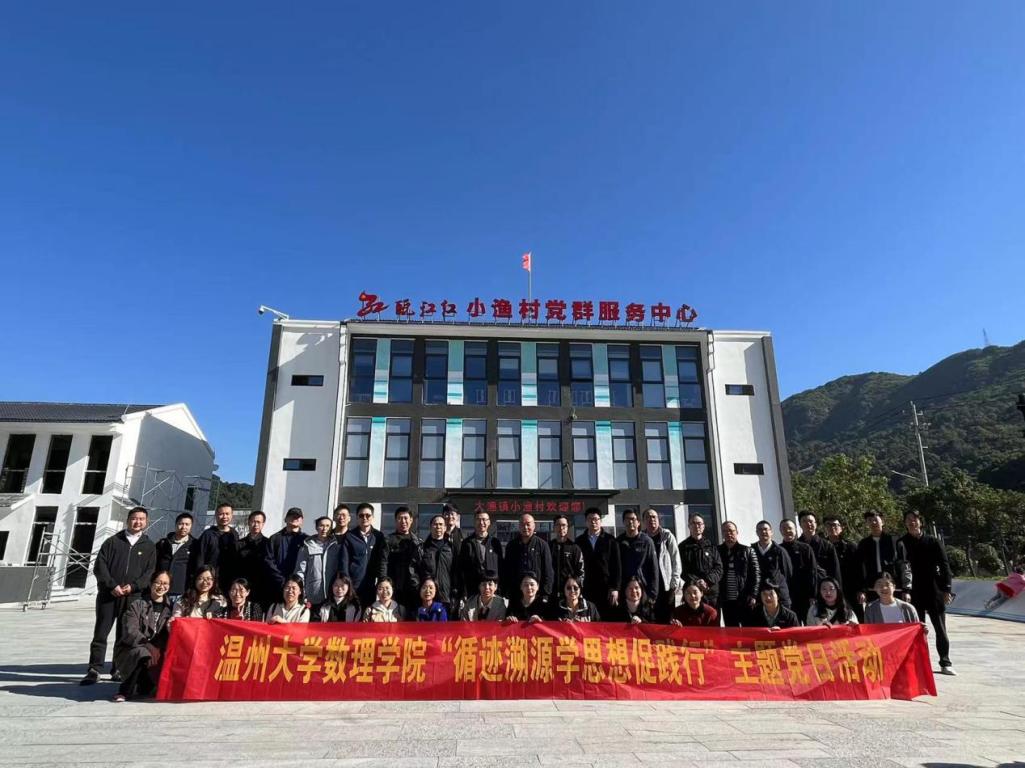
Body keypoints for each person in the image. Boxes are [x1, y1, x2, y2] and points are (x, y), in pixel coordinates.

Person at [81, 506, 156, 685]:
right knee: (101, 633)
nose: (137, 522)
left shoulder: (149, 546)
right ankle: (94, 669)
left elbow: (149, 573)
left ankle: (118, 669)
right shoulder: (113, 542)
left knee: (125, 635)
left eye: (141, 519)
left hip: (132, 597)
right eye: (134, 518)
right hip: (109, 595)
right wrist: (111, 585)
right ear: (128, 520)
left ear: (146, 522)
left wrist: (134, 586)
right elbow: (100, 566)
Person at [899, 509, 955, 674]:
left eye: (914, 519)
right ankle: (920, 663)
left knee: (940, 628)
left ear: (920, 522)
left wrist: (947, 589)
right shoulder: (902, 543)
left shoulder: (933, 541)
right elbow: (900, 567)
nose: (912, 522)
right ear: (905, 523)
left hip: (934, 590)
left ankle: (945, 662)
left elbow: (944, 565)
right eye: (908, 519)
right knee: (916, 630)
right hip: (913, 592)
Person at [111, 570, 173, 702]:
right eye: (158, 582)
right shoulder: (137, 605)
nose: (161, 586)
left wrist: (157, 648)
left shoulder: (171, 608)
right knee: (142, 653)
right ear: (151, 583)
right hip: (132, 647)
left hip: (158, 649)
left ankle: (146, 685)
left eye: (165, 583)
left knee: (146, 689)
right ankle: (125, 691)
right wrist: (149, 646)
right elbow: (131, 631)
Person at [338, 503, 389, 608]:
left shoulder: (378, 536)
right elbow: (344, 561)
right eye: (361, 515)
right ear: (357, 518)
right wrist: (347, 583)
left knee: (368, 614)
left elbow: (382, 560)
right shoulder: (349, 536)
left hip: (371, 585)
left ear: (372, 517)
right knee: (351, 614)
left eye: (368, 515)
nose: (364, 518)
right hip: (353, 586)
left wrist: (381, 581)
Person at [575, 507, 621, 619]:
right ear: (586, 522)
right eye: (590, 519)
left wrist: (615, 588)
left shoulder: (610, 540)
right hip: (586, 587)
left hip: (606, 587)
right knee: (588, 617)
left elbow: (617, 566)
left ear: (600, 521)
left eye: (596, 519)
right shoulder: (579, 541)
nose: (593, 522)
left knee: (606, 618)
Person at [501, 514, 554, 605]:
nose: (525, 527)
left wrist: (545, 593)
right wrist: (506, 591)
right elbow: (506, 570)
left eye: (528, 524)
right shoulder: (512, 545)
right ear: (519, 526)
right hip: (516, 595)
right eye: (522, 524)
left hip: (537, 595)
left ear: (534, 526)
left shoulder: (543, 545)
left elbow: (548, 571)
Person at [456, 509, 504, 609]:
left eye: (484, 520)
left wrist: (500, 588)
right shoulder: (467, 543)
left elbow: (501, 567)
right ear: (474, 522)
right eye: (478, 520)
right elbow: (461, 569)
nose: (481, 523)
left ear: (489, 522)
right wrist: (463, 592)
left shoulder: (495, 543)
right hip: (473, 590)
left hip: (492, 590)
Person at [644, 508, 684, 622]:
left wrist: (674, 582)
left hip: (666, 586)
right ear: (643, 521)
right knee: (649, 619)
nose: (651, 519)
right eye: (648, 517)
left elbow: (676, 560)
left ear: (658, 519)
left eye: (654, 517)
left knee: (667, 619)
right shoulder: (642, 538)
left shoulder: (667, 535)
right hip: (648, 587)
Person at [717, 521, 760, 627]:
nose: (729, 533)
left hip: (744, 598)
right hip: (726, 600)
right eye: (725, 531)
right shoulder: (717, 551)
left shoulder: (748, 551)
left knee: (748, 629)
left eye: (731, 531)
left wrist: (754, 595)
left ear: (737, 532)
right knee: (731, 630)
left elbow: (756, 575)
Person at [677, 512, 721, 612]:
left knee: (713, 620)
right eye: (693, 523)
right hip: (692, 594)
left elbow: (719, 568)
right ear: (689, 526)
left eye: (699, 523)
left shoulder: (711, 546)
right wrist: (696, 582)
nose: (697, 526)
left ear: (703, 526)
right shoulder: (682, 547)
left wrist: (706, 581)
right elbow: (681, 570)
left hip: (711, 592)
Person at [190, 502, 239, 593]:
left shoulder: (234, 534)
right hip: (210, 579)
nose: (224, 517)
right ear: (216, 515)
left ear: (232, 515)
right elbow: (200, 557)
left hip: (228, 579)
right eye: (221, 514)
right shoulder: (207, 534)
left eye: (227, 514)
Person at [856, 510, 903, 604]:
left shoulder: (894, 540)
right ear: (866, 524)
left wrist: (906, 589)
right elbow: (860, 568)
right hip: (872, 588)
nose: (873, 523)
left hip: (893, 587)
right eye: (870, 520)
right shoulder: (863, 544)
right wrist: (862, 589)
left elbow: (903, 564)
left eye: (876, 520)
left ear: (882, 521)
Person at [295, 516, 341, 610]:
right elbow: (300, 572)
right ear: (316, 527)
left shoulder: (336, 546)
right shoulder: (307, 546)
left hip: (331, 596)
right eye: (321, 526)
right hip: (312, 595)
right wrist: (302, 593)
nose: (324, 529)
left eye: (327, 526)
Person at [823, 515, 863, 620]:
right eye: (828, 525)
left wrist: (861, 590)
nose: (832, 527)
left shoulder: (851, 546)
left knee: (855, 618)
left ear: (841, 528)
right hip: (830, 590)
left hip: (850, 589)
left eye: (835, 525)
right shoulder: (822, 547)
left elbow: (859, 570)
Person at [780, 518, 819, 622]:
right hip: (786, 596)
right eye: (784, 528)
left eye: (790, 528)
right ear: (780, 531)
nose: (787, 531)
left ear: (796, 530)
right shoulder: (778, 550)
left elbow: (813, 572)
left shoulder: (805, 548)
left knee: (808, 624)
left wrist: (813, 595)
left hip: (804, 595)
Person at [385, 506, 423, 611]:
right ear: (395, 520)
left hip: (414, 587)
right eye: (400, 518)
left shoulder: (418, 542)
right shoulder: (388, 540)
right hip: (395, 587)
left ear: (411, 520)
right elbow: (383, 563)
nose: (403, 521)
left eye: (406, 518)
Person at [617, 508, 658, 602]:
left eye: (633, 519)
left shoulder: (647, 541)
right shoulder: (618, 542)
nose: (630, 522)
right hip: (624, 589)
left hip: (643, 587)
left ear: (638, 522)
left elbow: (653, 568)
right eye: (627, 519)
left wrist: (653, 593)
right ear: (623, 522)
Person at [267, 507, 308, 599]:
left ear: (302, 521)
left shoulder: (306, 540)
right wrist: (281, 580)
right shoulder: (275, 538)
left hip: (298, 587)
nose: (294, 518)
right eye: (291, 516)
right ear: (285, 519)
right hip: (276, 585)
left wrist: (298, 581)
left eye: (297, 517)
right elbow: (268, 561)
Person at [236, 510, 273, 609]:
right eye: (253, 521)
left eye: (259, 522)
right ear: (248, 522)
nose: (256, 525)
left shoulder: (268, 544)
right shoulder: (239, 544)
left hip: (261, 588)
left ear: (263, 524)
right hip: (242, 588)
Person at [752, 520, 793, 608]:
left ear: (771, 532)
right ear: (757, 532)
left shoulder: (780, 551)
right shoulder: (752, 551)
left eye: (766, 529)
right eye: (760, 530)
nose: (763, 532)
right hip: (759, 596)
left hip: (779, 595)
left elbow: (788, 574)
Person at [420, 515, 456, 613]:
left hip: (446, 596)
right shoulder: (422, 548)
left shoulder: (451, 548)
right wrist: (419, 588)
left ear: (445, 528)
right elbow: (414, 570)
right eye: (435, 524)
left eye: (441, 524)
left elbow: (456, 571)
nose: (438, 527)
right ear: (430, 527)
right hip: (427, 597)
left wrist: (455, 592)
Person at [154, 512, 194, 600]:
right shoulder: (163, 543)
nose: (183, 527)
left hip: (180, 592)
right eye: (181, 524)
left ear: (191, 526)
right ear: (176, 525)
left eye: (187, 524)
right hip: (160, 589)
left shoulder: (194, 545)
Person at [798, 511, 842, 584]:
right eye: (804, 521)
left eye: (811, 521)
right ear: (800, 524)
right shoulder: (796, 546)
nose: (808, 524)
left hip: (823, 587)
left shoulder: (827, 546)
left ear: (816, 524)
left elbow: (835, 572)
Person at [549, 515, 585, 598]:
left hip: (569, 592)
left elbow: (580, 571)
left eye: (564, 525)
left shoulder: (574, 548)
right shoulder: (548, 546)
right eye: (558, 525)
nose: (561, 528)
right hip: (551, 592)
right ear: (554, 527)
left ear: (567, 527)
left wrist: (578, 588)